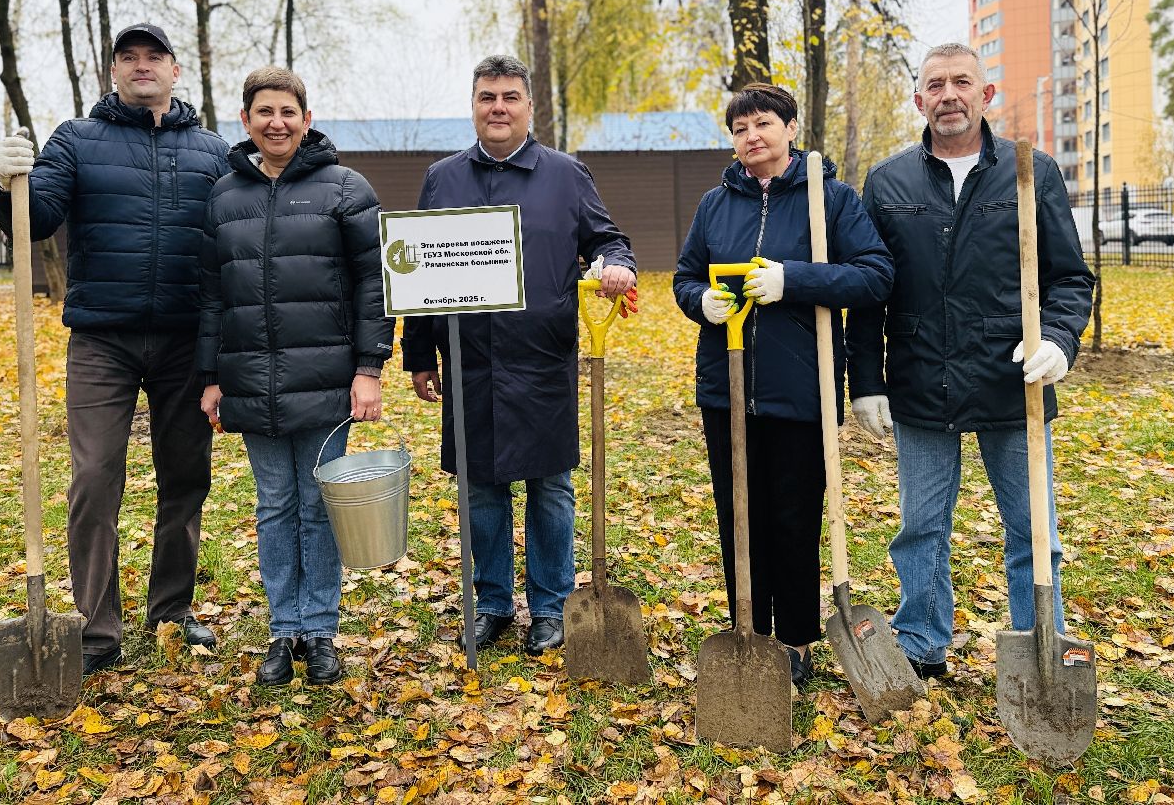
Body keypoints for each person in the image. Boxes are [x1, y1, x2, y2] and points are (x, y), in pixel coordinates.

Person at [846, 42, 1094, 680]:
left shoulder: (1029, 170)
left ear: (986, 95)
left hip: (1013, 379)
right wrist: (867, 383)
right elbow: (872, 288)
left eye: (962, 82)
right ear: (919, 100)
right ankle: (924, 639)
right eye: (935, 84)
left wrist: (1059, 343)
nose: (948, 94)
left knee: (1032, 529)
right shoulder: (889, 180)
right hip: (921, 379)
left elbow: (1068, 277)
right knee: (921, 527)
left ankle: (1039, 643)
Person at [0, 23, 230, 675]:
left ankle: (172, 611)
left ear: (176, 72)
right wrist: (4, 181)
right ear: (115, 70)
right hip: (103, 340)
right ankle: (97, 631)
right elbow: (34, 219)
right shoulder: (76, 140)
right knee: (95, 479)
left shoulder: (212, 151)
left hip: (186, 341)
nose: (142, 66)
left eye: (155, 57)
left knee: (186, 478)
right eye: (130, 57)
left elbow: (239, 236)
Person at [401, 54, 637, 657]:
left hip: (541, 361)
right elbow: (422, 270)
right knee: (481, 490)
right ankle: (493, 604)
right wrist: (420, 355)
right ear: (473, 105)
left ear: (529, 107)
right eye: (487, 97)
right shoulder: (443, 178)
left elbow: (609, 238)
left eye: (509, 97)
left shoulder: (566, 175)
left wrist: (616, 265)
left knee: (550, 488)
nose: (498, 108)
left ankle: (552, 607)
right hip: (471, 363)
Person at [672, 84, 893, 687]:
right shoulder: (716, 204)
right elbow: (687, 276)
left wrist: (793, 281)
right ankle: (751, 630)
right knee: (738, 516)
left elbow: (874, 276)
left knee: (794, 518)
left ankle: (795, 638)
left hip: (801, 387)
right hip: (727, 389)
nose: (752, 137)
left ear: (791, 127)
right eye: (740, 128)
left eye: (764, 123)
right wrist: (702, 303)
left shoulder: (831, 200)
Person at [196, 66, 392, 687]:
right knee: (275, 506)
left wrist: (369, 367)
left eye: (287, 112)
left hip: (328, 382)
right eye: (263, 112)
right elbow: (210, 297)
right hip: (250, 381)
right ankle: (284, 633)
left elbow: (374, 283)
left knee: (318, 506)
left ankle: (322, 631)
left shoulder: (345, 189)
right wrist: (211, 376)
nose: (275, 122)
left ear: (306, 120)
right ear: (247, 121)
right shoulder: (224, 197)